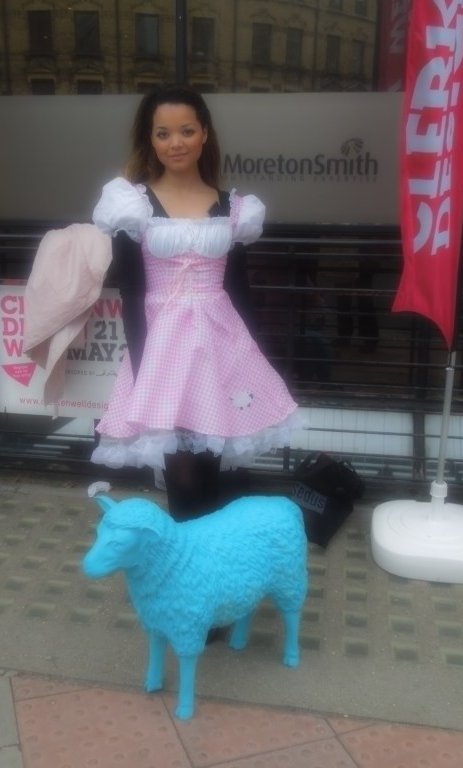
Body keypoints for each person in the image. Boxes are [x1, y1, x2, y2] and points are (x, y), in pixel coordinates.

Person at [91, 84, 303, 522]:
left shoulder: (235, 208)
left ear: (204, 133)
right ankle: (184, 557)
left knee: (210, 472)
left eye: (186, 130)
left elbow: (239, 289)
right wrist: (143, 369)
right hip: (162, 355)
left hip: (219, 350)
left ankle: (208, 557)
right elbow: (131, 291)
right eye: (163, 133)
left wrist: (253, 355)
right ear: (151, 139)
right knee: (183, 477)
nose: (176, 142)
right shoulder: (132, 205)